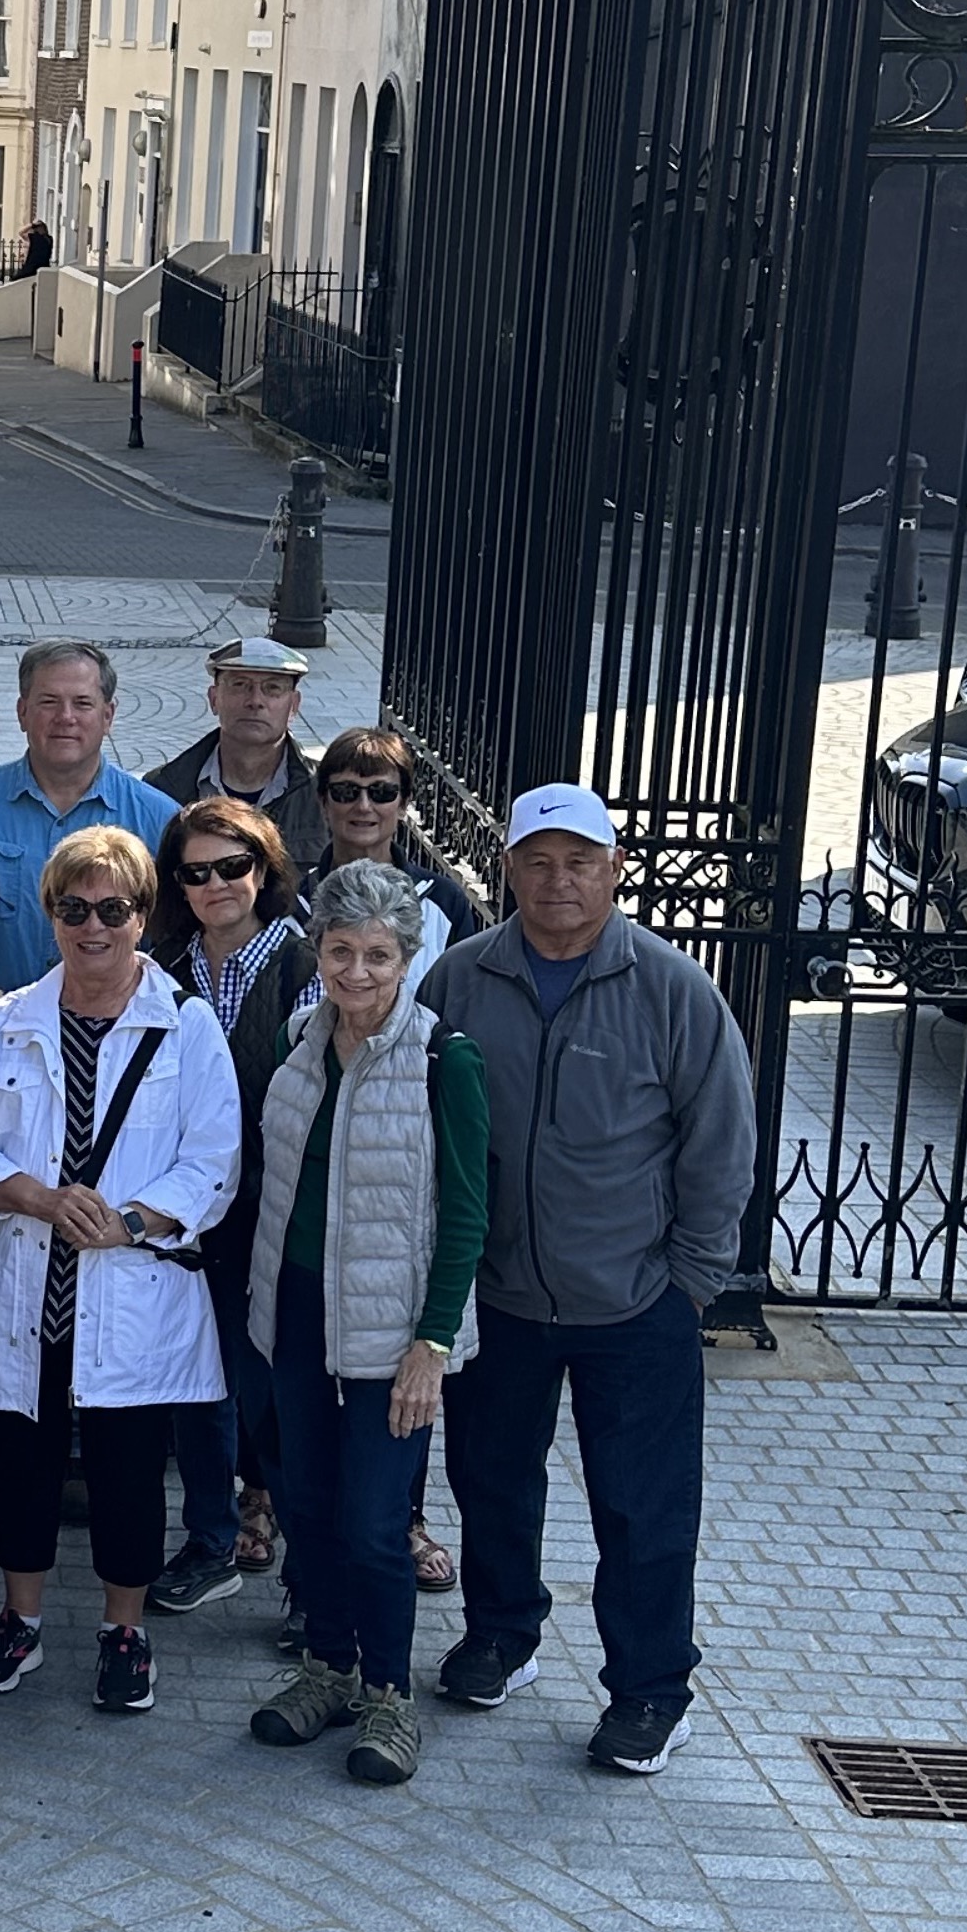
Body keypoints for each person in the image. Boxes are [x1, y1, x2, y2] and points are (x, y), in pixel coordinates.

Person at [422, 784, 757, 1776]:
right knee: (488, 1479)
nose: (557, 881)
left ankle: (651, 1692)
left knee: (642, 1508)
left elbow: (720, 1145)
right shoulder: (459, 980)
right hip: (500, 1296)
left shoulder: (671, 988)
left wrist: (687, 1282)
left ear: (613, 871)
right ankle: (500, 1637)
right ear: (508, 871)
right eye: (537, 861)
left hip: (634, 1303)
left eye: (579, 862)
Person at [0, 826, 241, 1715]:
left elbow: (214, 1157)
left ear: (145, 915)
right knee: (21, 1466)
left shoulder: (186, 1027)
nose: (94, 928)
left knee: (128, 1472)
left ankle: (124, 1629)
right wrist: (34, 1196)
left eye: (114, 909)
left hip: (130, 1289)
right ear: (51, 915)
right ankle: (19, 1620)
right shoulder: (6, 1023)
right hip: (29, 1286)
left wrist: (133, 1220)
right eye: (75, 909)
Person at [243, 862, 490, 1789]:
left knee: (376, 1521)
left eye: (377, 956)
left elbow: (467, 1212)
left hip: (394, 1332)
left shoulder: (444, 1060)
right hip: (297, 1313)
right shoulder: (299, 1038)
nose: (356, 974)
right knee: (306, 1504)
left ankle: (389, 1695)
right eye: (340, 951)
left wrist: (433, 1341)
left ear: (407, 958)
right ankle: (329, 1667)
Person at [143, 796, 311, 1617]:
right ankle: (210, 1542)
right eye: (196, 872)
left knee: (277, 1393)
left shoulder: (308, 967)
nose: (216, 885)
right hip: (189, 1214)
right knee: (196, 1380)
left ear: (265, 867)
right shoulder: (162, 968)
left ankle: (313, 1581)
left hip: (277, 1214)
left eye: (233, 866)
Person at [0, 640, 177, 993]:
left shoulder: (158, 818)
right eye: (49, 702)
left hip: (116, 1030)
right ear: (22, 712)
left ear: (108, 716)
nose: (65, 717)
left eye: (82, 703)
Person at [142, 633, 326, 873]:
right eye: (240, 685)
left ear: (294, 705)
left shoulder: (325, 792)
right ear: (214, 698)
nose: (255, 701)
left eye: (272, 688)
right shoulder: (163, 789)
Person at [309, 724, 484, 962]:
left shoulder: (444, 902)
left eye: (381, 792)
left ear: (403, 804)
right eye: (346, 791)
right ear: (323, 802)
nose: (363, 806)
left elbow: (461, 994)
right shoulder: (292, 903)